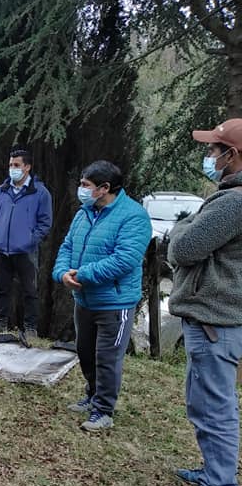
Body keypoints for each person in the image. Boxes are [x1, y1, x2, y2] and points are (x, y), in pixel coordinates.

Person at [164, 118, 242, 486]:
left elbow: (184, 247)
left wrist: (181, 230)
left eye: (214, 150)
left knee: (214, 407)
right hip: (215, 321)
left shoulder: (234, 201)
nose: (209, 156)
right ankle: (214, 472)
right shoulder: (228, 197)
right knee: (206, 403)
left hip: (215, 322)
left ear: (233, 155)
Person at [52, 160, 151, 432]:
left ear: (105, 188)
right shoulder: (84, 213)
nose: (81, 190)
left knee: (107, 358)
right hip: (84, 301)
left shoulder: (133, 216)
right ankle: (92, 394)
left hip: (114, 303)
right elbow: (67, 245)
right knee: (85, 352)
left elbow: (125, 259)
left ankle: (104, 409)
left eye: (86, 185)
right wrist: (62, 273)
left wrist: (82, 274)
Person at [0, 147, 52, 342]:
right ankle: (0, 322)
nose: (12, 168)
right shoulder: (1, 191)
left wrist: (30, 240)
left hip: (26, 251)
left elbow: (45, 223)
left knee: (30, 290)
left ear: (27, 167)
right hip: (2, 249)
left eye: (16, 165)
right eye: (10, 165)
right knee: (1, 288)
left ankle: (30, 327)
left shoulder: (40, 193)